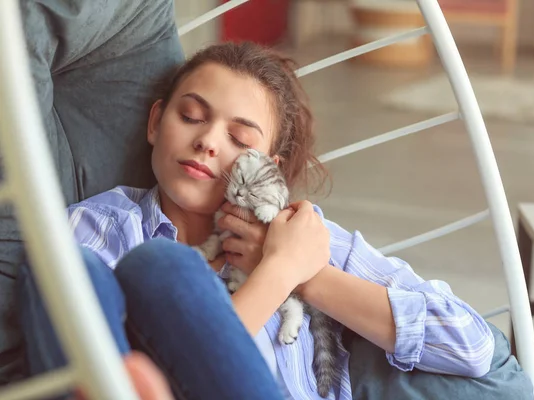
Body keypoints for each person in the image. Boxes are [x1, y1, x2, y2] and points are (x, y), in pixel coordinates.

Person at [17, 42, 495, 400]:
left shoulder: (306, 238)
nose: (208, 142)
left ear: (271, 165)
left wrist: (310, 274)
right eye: (190, 116)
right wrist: (277, 274)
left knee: (163, 268)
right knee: (70, 267)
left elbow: (470, 345)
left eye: (241, 140)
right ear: (154, 122)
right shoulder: (99, 226)